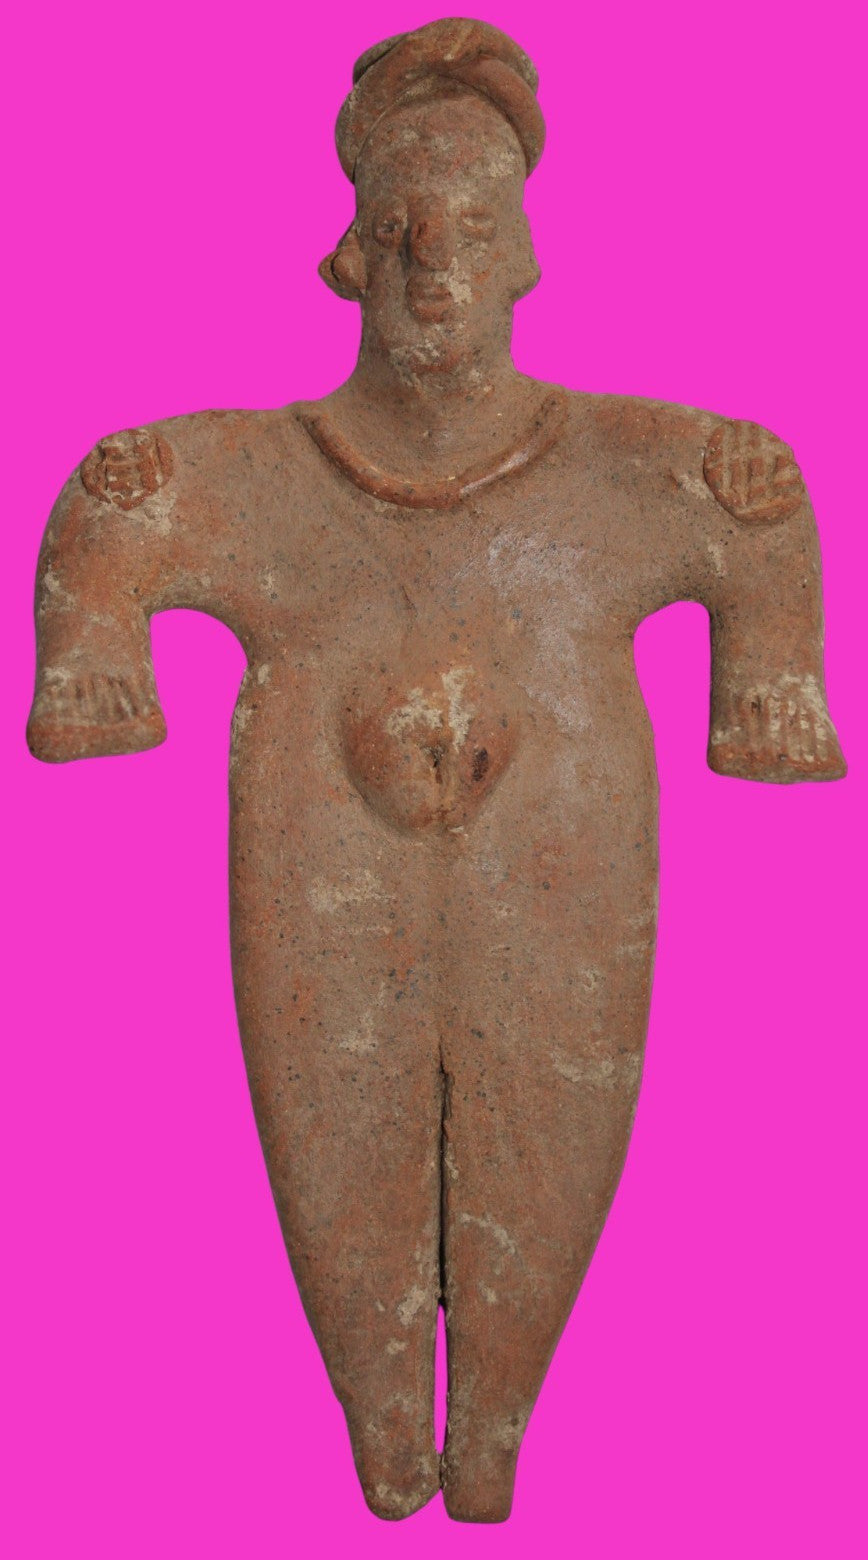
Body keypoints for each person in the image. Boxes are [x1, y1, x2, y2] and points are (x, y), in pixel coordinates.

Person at [27, 18, 846, 1524]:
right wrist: (90, 657)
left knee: (549, 1126)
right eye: (403, 229)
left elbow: (755, 508)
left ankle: (497, 1433)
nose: (436, 268)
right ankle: (385, 1427)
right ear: (350, 252)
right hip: (322, 843)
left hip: (559, 840)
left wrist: (771, 683)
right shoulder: (267, 478)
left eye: (470, 230)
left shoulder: (622, 471)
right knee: (339, 1139)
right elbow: (119, 511)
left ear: (525, 253)